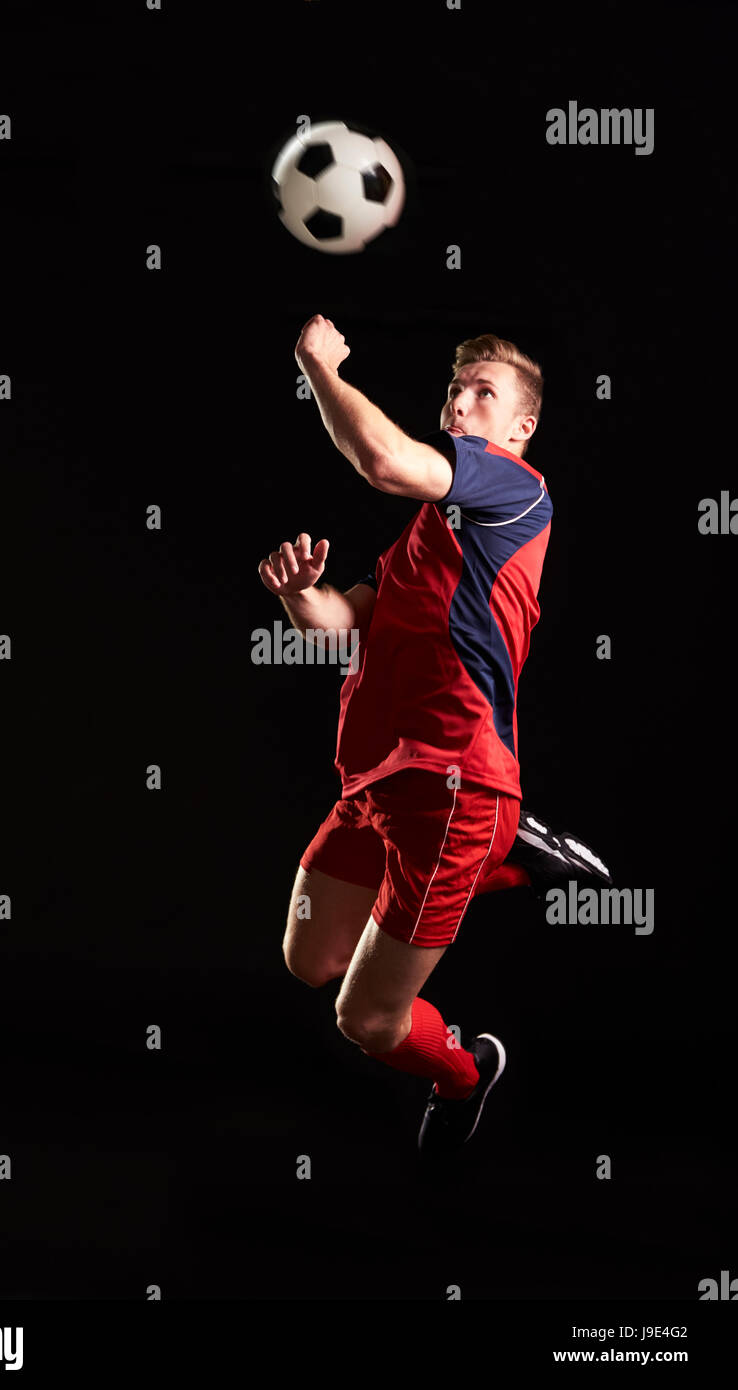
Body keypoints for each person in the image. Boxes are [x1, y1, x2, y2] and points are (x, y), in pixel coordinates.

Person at [257, 315, 609, 1161]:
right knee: (307, 959)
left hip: (455, 784)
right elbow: (340, 627)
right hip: (375, 784)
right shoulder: (426, 534)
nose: (461, 403)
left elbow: (382, 460)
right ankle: (508, 854)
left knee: (365, 1018)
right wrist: (299, 595)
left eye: (484, 394)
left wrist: (321, 370)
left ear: (520, 427)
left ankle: (463, 1075)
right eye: (457, 390)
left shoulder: (511, 486)